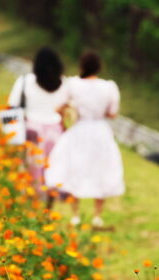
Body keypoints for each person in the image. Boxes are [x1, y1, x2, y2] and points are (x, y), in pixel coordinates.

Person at [44, 51, 123, 228]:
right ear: (99, 67)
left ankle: (75, 215)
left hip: (79, 129)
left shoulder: (72, 85)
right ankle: (97, 215)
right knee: (100, 169)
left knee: (75, 168)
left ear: (81, 66)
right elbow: (112, 113)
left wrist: (70, 114)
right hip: (100, 131)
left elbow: (58, 107)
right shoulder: (108, 87)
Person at [7, 47, 70, 201]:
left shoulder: (25, 81)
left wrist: (11, 136)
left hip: (31, 131)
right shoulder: (63, 83)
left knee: (31, 172)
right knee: (52, 172)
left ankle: (31, 203)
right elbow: (65, 109)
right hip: (55, 132)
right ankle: (49, 204)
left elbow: (12, 106)